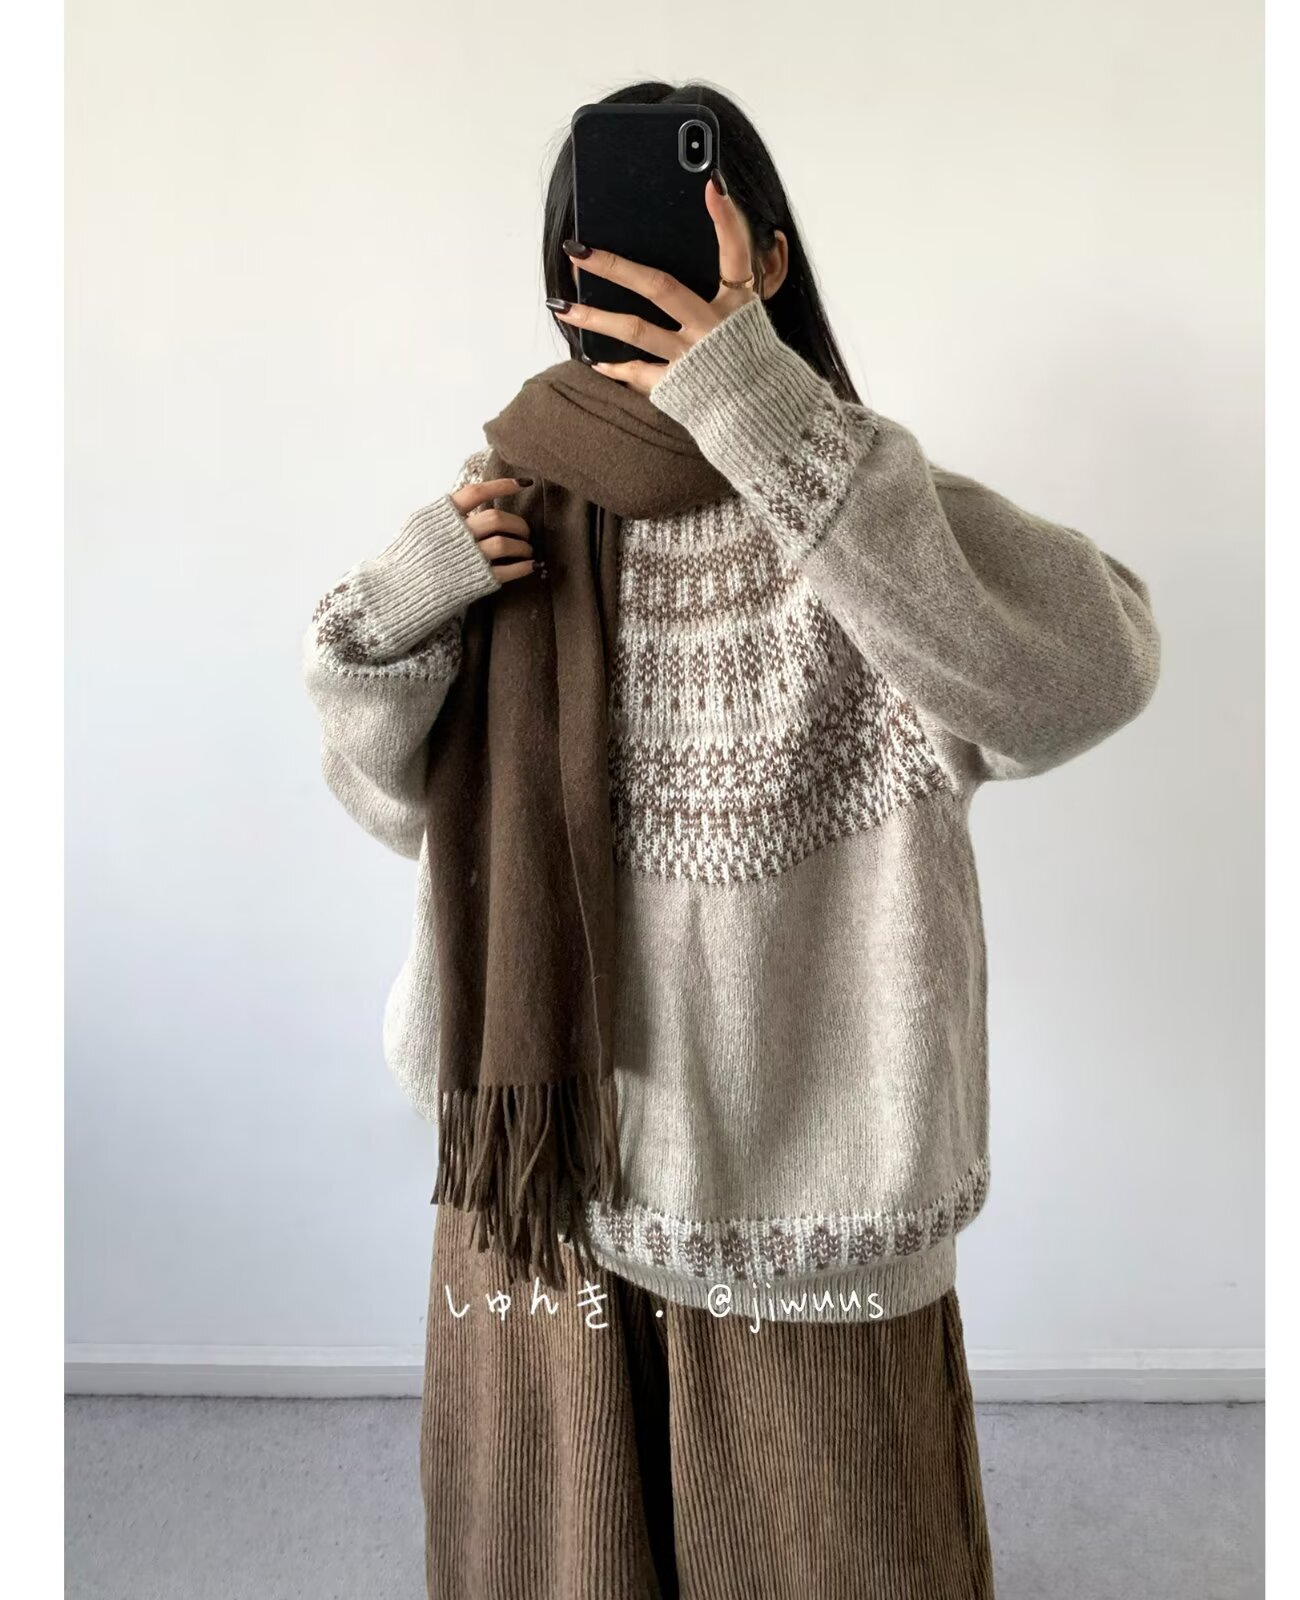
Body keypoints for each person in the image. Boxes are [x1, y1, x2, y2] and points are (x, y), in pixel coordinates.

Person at [303, 80, 1160, 1600]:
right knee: (554, 1556)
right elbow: (397, 814)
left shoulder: (858, 504)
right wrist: (392, 612)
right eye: (593, 250)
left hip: (798, 1192)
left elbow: (1088, 673)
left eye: (688, 230)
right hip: (550, 1177)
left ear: (766, 254)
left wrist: (765, 416)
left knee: (826, 1555)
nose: (635, 270)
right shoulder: (506, 512)